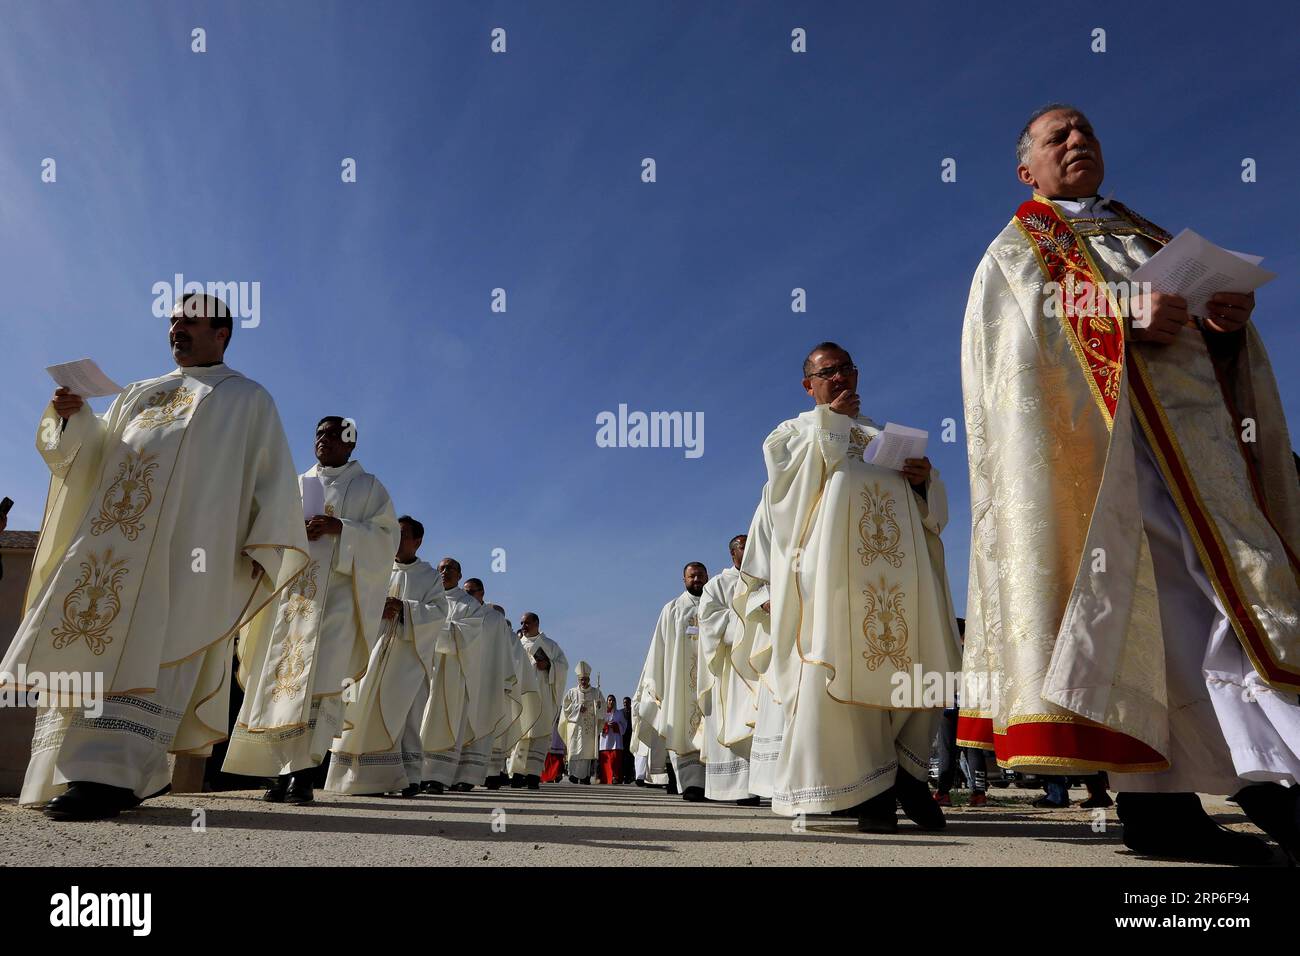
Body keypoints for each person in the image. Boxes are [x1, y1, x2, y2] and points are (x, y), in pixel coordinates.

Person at [958, 103, 1300, 865]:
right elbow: (1012, 354)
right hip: (1111, 475)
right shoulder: (1019, 251)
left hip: (1200, 466)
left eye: (1086, 132)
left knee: (1229, 610)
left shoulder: (1150, 236)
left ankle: (1202, 802)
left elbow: (1202, 350)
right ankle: (1178, 809)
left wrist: (1225, 326)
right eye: (1058, 136)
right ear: (1028, 170)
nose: (1078, 141)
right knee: (1171, 626)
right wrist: (1115, 318)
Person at [1, 293, 309, 820]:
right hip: (111, 547)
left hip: (189, 553)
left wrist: (264, 541)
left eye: (190, 320)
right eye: (172, 320)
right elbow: (93, 457)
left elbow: (273, 477)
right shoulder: (139, 392)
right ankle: (100, 772)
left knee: (160, 648)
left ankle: (111, 777)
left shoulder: (247, 398)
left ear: (222, 333)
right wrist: (72, 418)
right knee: (93, 647)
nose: (176, 328)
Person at [733, 342, 963, 832]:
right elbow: (784, 494)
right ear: (808, 385)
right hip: (835, 582)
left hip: (898, 581)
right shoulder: (792, 433)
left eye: (847, 370)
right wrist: (832, 423)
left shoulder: (884, 434)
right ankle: (868, 791)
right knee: (841, 674)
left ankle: (908, 776)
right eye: (828, 372)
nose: (840, 378)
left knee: (917, 671)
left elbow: (933, 513)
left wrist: (923, 482)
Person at [225, 416, 399, 805]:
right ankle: (279, 772)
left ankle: (302, 776)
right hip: (291, 599)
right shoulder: (296, 483)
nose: (324, 439)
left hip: (336, 598)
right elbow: (268, 524)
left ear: (351, 444)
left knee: (316, 684)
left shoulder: (370, 488)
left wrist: (343, 528)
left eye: (335, 434)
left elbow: (387, 538)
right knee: (280, 681)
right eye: (319, 433)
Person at [324, 516, 447, 796]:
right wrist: (375, 607)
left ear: (418, 541)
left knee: (406, 716)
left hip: (408, 657)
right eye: (392, 532)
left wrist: (404, 609)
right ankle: (364, 778)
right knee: (362, 711)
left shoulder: (429, 576)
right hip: (370, 651)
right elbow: (352, 598)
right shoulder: (376, 566)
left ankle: (410, 776)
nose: (395, 539)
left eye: (402, 534)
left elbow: (439, 613)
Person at [636, 563, 710, 802]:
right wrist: (659, 680)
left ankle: (714, 784)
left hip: (710, 680)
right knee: (681, 725)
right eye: (692, 575)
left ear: (707, 577)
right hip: (681, 683)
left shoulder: (716, 604)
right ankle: (690, 785)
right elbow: (659, 647)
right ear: (684, 579)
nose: (697, 579)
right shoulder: (672, 609)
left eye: (701, 575)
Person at [698, 534, 760, 804]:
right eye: (744, 548)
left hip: (760, 663)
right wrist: (749, 617)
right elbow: (709, 619)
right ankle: (738, 788)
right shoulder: (717, 585)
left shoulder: (764, 579)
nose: (749, 554)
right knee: (733, 718)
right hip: (731, 667)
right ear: (732, 553)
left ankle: (760, 784)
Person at [508, 613, 568, 789]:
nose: (523, 625)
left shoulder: (550, 645)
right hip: (523, 696)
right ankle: (517, 775)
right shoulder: (518, 645)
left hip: (543, 697)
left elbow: (563, 666)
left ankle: (534, 775)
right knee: (521, 734)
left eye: (527, 622)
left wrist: (549, 665)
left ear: (536, 623)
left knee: (539, 735)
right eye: (521, 623)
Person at [559, 662, 603, 783]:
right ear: (578, 679)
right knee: (574, 751)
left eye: (585, 679)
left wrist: (598, 706)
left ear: (589, 679)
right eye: (581, 679)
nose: (583, 681)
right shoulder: (572, 692)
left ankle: (585, 777)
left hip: (588, 728)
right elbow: (565, 708)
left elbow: (602, 709)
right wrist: (578, 708)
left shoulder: (596, 692)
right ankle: (573, 775)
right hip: (575, 726)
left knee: (586, 753)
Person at [599, 694, 628, 784]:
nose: (611, 702)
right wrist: (605, 725)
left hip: (616, 740)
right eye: (609, 700)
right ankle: (606, 778)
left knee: (615, 760)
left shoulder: (619, 713)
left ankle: (615, 777)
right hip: (605, 740)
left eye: (613, 700)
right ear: (606, 702)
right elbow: (598, 724)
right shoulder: (602, 712)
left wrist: (616, 725)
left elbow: (624, 725)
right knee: (606, 760)